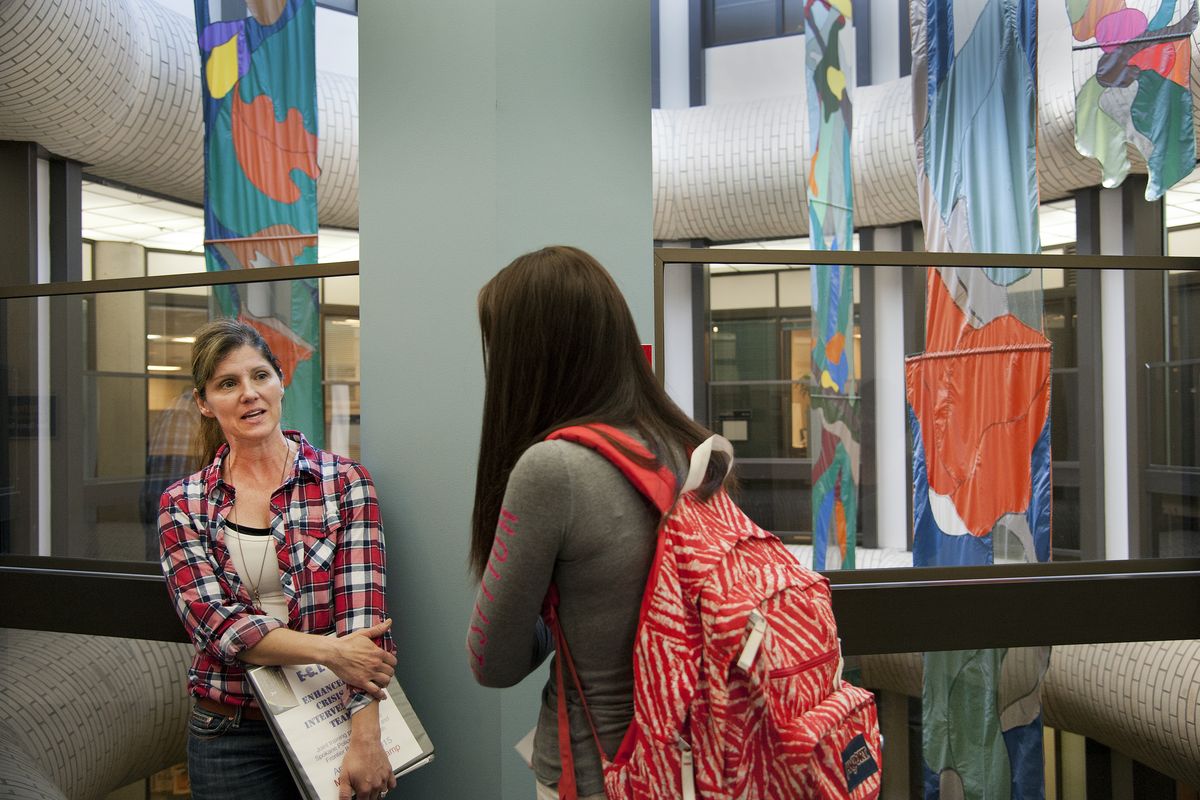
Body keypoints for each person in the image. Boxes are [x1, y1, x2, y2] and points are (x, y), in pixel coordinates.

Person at [465, 246, 730, 799]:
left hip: (602, 772)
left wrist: (551, 609)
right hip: (699, 759)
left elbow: (492, 661)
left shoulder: (553, 468)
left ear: (531, 358)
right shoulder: (686, 446)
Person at [159, 318, 397, 800]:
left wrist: (367, 736)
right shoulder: (183, 503)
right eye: (228, 384)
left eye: (260, 375)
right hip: (231, 732)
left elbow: (364, 620)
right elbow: (221, 628)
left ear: (280, 382)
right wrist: (332, 652)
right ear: (205, 403)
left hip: (334, 719)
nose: (249, 393)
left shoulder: (344, 482)